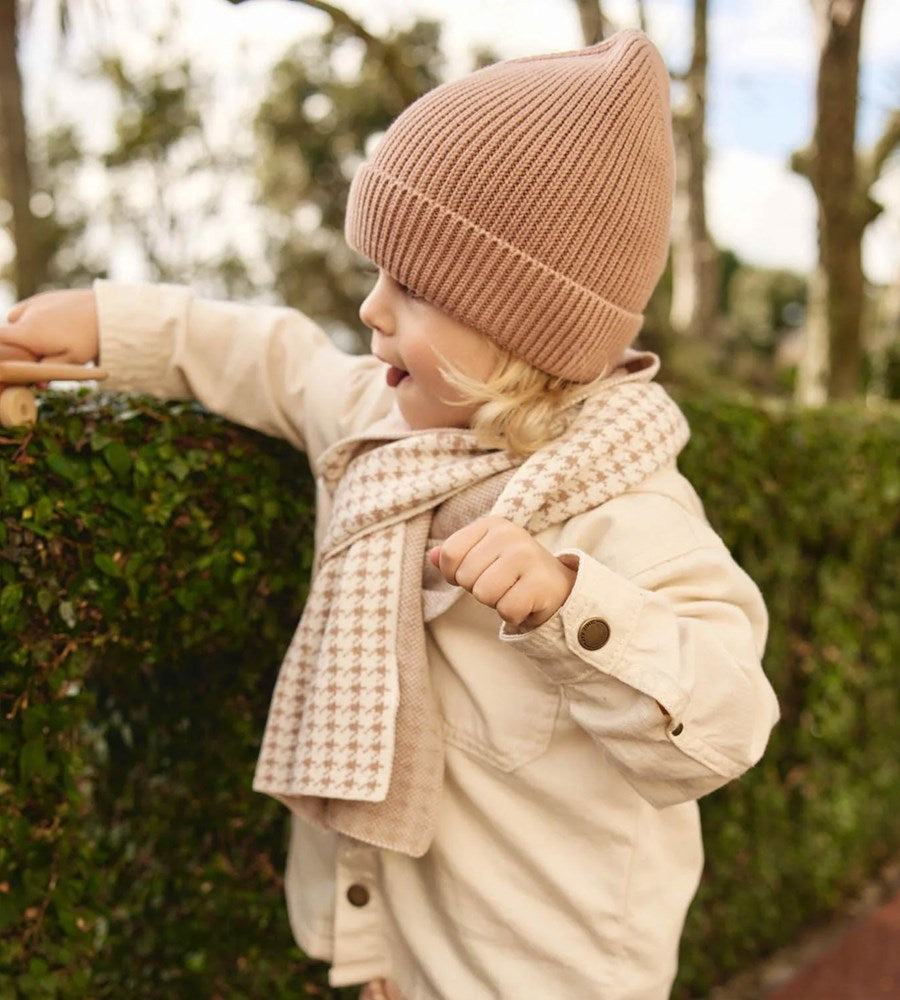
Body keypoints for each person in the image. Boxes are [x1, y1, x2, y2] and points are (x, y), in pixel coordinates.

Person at [1, 30, 779, 1000]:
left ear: (517, 327)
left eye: (409, 287)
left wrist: (570, 605)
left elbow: (729, 724)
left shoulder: (629, 504)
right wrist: (108, 326)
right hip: (405, 962)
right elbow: (271, 358)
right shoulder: (379, 427)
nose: (371, 310)